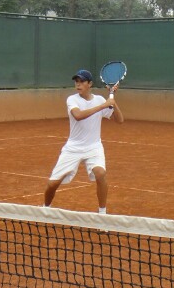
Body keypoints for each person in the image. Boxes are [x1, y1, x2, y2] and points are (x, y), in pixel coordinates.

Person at [43, 69, 124, 214]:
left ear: (90, 84)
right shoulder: (72, 99)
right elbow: (78, 115)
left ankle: (102, 214)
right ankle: (45, 208)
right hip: (73, 148)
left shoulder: (99, 99)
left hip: (94, 147)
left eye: (82, 82)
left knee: (100, 173)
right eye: (76, 82)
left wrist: (113, 102)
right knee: (52, 184)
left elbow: (120, 120)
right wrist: (103, 105)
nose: (78, 85)